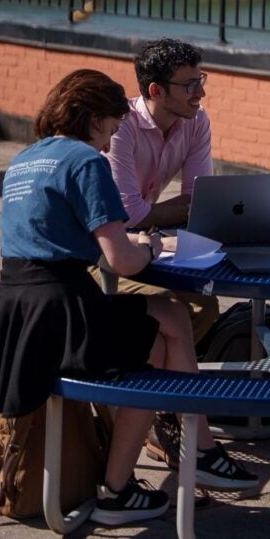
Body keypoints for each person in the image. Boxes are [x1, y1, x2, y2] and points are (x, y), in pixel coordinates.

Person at [0, 69, 256, 528]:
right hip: (64, 309)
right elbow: (121, 261)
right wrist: (151, 247)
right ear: (93, 117)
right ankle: (182, 456)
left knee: (167, 322)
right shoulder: (85, 162)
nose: (110, 140)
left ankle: (148, 474)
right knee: (168, 326)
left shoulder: (26, 158)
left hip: (17, 312)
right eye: (112, 128)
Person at [100, 38, 225, 471]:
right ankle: (167, 417)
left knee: (203, 303)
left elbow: (200, 199)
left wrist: (158, 215)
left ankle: (160, 405)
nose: (201, 93)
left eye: (201, 80)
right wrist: (162, 214)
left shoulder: (196, 121)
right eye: (190, 84)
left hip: (145, 242)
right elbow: (126, 213)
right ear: (156, 91)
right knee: (175, 311)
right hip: (102, 251)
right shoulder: (122, 128)